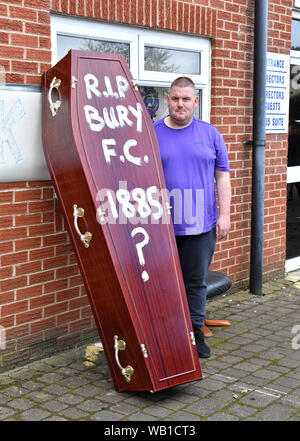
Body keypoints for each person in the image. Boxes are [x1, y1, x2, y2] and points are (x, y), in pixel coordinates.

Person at [154, 77, 231, 358]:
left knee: (195, 281)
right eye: (175, 98)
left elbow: (222, 175)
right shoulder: (152, 133)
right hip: (162, 226)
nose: (180, 104)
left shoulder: (210, 134)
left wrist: (225, 214)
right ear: (168, 99)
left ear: (195, 101)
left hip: (202, 224)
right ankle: (165, 333)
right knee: (163, 280)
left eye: (186, 99)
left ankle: (195, 332)